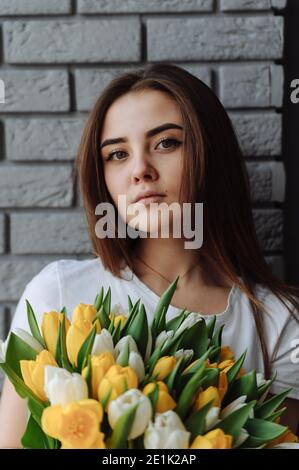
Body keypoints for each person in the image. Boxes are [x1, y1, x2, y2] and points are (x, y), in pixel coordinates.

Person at [0, 63, 298, 448]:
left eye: (166, 143)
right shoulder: (58, 294)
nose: (140, 170)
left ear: (212, 151)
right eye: (118, 154)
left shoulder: (277, 322)